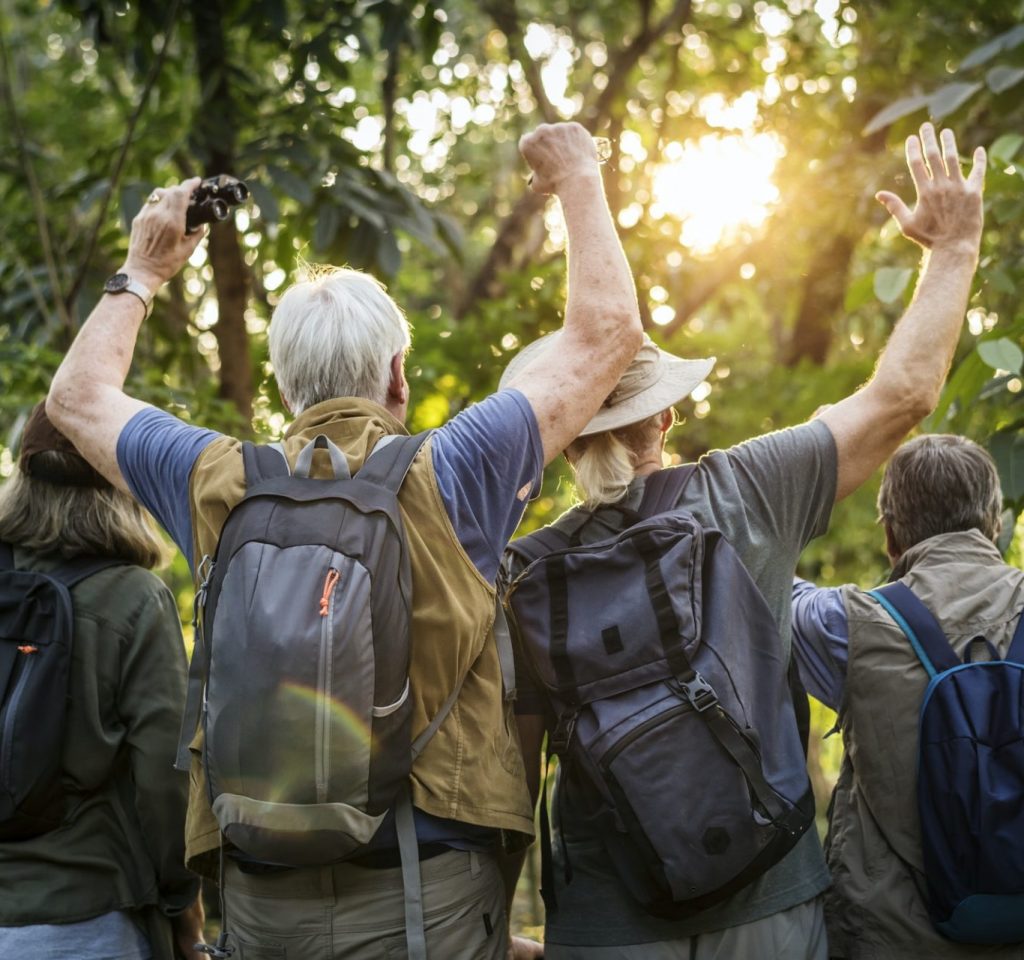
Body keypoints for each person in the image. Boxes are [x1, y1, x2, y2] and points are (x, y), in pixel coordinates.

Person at [45, 121, 641, 959]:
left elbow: (74, 401)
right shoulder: (457, 469)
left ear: (287, 386)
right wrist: (579, 173)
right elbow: (608, 334)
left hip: (258, 899)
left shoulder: (214, 479)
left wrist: (144, 270)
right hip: (426, 896)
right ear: (399, 374)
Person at [499, 122, 986, 959]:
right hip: (770, 907)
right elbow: (904, 393)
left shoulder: (526, 570)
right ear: (666, 414)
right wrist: (952, 247)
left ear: (568, 435)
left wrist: (497, 929)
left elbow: (513, 770)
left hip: (607, 925)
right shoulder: (749, 488)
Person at [791, 434, 1024, 960]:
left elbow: (765, 577)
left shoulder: (846, 625)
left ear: (890, 533)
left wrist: (815, 465)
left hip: (888, 938)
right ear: (994, 521)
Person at [0, 402, 203, 960]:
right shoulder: (133, 596)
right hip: (83, 913)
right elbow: (165, 779)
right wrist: (183, 905)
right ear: (120, 481)